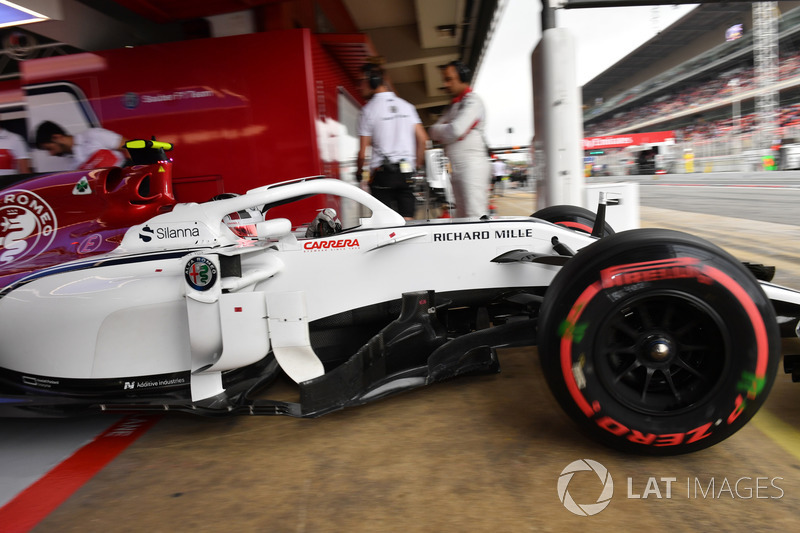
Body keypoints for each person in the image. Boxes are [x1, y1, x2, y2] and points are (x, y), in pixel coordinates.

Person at [357, 63, 428, 220]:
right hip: (406, 173)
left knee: (385, 225)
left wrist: (359, 172)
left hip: (382, 176)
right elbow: (423, 139)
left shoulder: (367, 111)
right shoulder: (407, 107)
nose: (359, 86)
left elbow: (362, 154)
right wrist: (415, 165)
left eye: (361, 81)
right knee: (407, 221)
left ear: (373, 80)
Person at [429, 60, 490, 218]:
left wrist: (445, 130)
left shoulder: (473, 101)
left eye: (449, 79)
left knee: (475, 217)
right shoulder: (454, 106)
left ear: (462, 77)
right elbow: (432, 131)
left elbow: (455, 130)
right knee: (462, 219)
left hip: (472, 169)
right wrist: (446, 130)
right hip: (457, 170)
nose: (445, 84)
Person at [34, 121, 127, 170]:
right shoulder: (69, 166)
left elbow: (128, 145)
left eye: (49, 148)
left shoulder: (92, 135)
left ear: (57, 137)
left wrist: (135, 172)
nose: (51, 153)